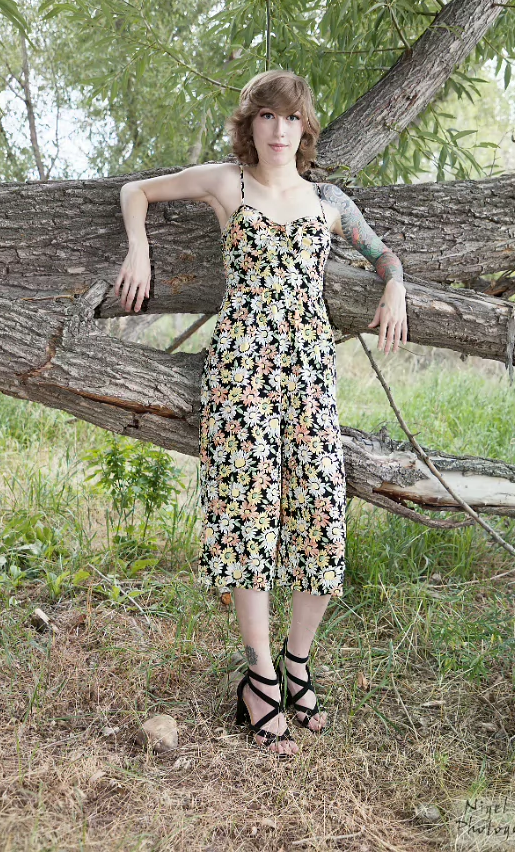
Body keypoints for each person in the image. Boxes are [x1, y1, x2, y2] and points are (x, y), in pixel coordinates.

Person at [116, 70, 408, 759]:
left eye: (292, 118)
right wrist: (139, 249)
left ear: (306, 129)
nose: (280, 130)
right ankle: (259, 677)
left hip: (309, 373)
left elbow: (383, 254)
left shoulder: (329, 201)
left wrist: (395, 286)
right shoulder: (228, 184)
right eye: (268, 116)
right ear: (250, 124)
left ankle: (296, 662)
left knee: (322, 515)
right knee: (246, 515)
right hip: (241, 371)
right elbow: (136, 191)